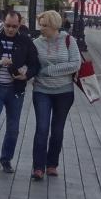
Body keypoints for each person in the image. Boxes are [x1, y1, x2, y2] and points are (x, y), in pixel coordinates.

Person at [0, 10, 39, 176]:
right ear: (3, 23)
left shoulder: (25, 41)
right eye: (8, 25)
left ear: (19, 25)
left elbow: (35, 64)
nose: (10, 29)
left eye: (14, 26)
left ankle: (6, 159)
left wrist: (26, 73)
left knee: (13, 129)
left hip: (15, 91)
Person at [29, 11, 81, 182]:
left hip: (64, 92)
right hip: (42, 91)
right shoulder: (36, 43)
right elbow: (32, 65)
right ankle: (38, 167)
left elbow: (75, 64)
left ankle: (52, 164)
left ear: (54, 26)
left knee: (57, 131)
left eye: (45, 25)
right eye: (41, 25)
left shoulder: (69, 41)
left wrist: (47, 71)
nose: (41, 28)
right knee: (42, 128)